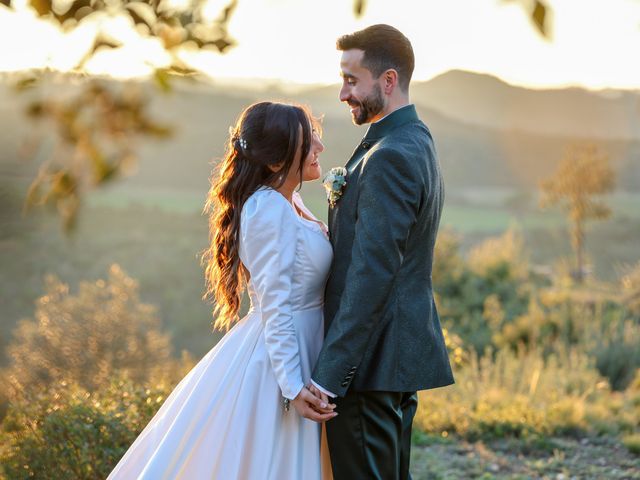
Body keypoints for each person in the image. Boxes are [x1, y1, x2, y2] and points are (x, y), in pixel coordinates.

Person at [108, 101, 335, 480]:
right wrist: (293, 386)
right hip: (281, 358)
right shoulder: (268, 208)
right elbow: (276, 306)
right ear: (278, 161)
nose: (320, 148)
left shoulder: (290, 200)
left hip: (307, 341)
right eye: (309, 141)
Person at [309, 24, 455, 480]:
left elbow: (373, 275)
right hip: (392, 359)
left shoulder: (390, 154)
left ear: (387, 81)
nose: (342, 93)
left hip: (368, 367)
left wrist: (329, 376)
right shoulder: (414, 139)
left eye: (352, 80)